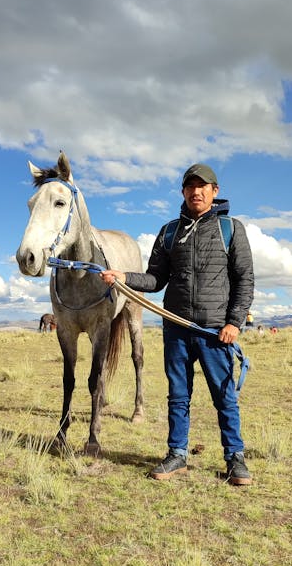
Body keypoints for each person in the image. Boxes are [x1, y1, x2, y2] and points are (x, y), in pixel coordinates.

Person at [101, 163, 254, 485]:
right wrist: (123, 276)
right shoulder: (170, 231)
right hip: (176, 328)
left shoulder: (231, 229)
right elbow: (156, 279)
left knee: (223, 396)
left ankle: (235, 458)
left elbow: (244, 279)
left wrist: (234, 323)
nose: (195, 192)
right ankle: (176, 455)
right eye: (189, 187)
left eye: (203, 186)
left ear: (215, 191)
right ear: (183, 192)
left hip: (215, 332)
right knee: (178, 395)